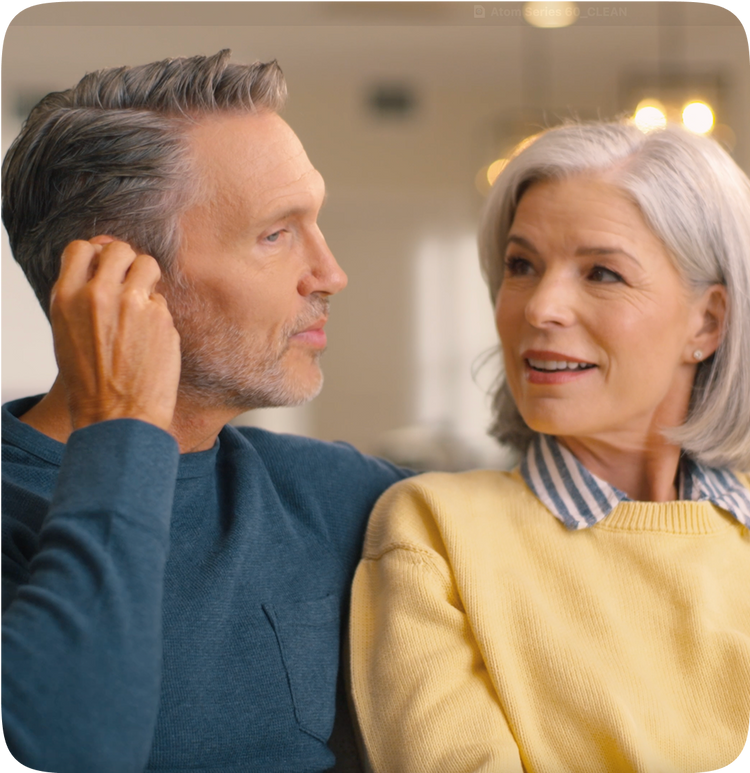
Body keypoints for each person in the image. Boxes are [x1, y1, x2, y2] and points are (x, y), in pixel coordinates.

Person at [1, 50, 412, 773]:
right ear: (116, 280)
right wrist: (123, 430)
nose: (331, 274)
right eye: (276, 234)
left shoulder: (336, 494)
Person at [349, 121, 750, 772]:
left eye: (601, 272)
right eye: (521, 265)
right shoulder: (433, 529)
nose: (540, 307)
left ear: (706, 322)